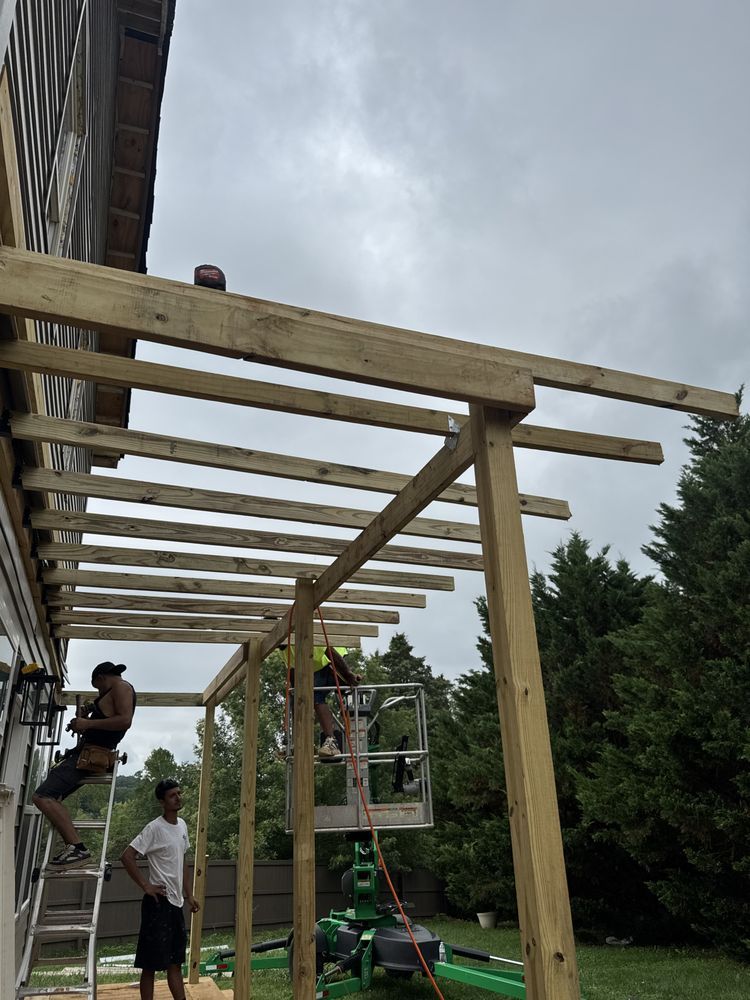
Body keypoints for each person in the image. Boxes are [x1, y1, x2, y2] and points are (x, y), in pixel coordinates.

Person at [32, 661, 136, 868]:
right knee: (55, 796)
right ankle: (73, 844)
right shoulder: (112, 692)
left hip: (92, 755)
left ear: (101, 678)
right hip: (86, 753)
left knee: (42, 796)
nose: (98, 691)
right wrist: (87, 716)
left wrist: (87, 723)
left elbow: (125, 720)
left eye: (97, 686)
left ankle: (77, 848)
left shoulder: (121, 687)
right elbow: (107, 714)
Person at [121, 780, 199, 1000]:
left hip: (176, 903)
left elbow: (182, 861)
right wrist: (146, 885)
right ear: (162, 801)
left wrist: (189, 894)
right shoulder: (154, 828)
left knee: (175, 961)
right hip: (158, 903)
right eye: (173, 795)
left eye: (179, 793)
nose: (178, 797)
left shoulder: (182, 825)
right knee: (151, 963)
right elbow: (127, 856)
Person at [284, 644, 361, 758]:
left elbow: (328, 650)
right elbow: (293, 671)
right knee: (299, 695)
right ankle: (301, 741)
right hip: (318, 666)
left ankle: (331, 742)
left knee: (315, 695)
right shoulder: (283, 649)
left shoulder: (297, 638)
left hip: (334, 659)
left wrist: (348, 675)